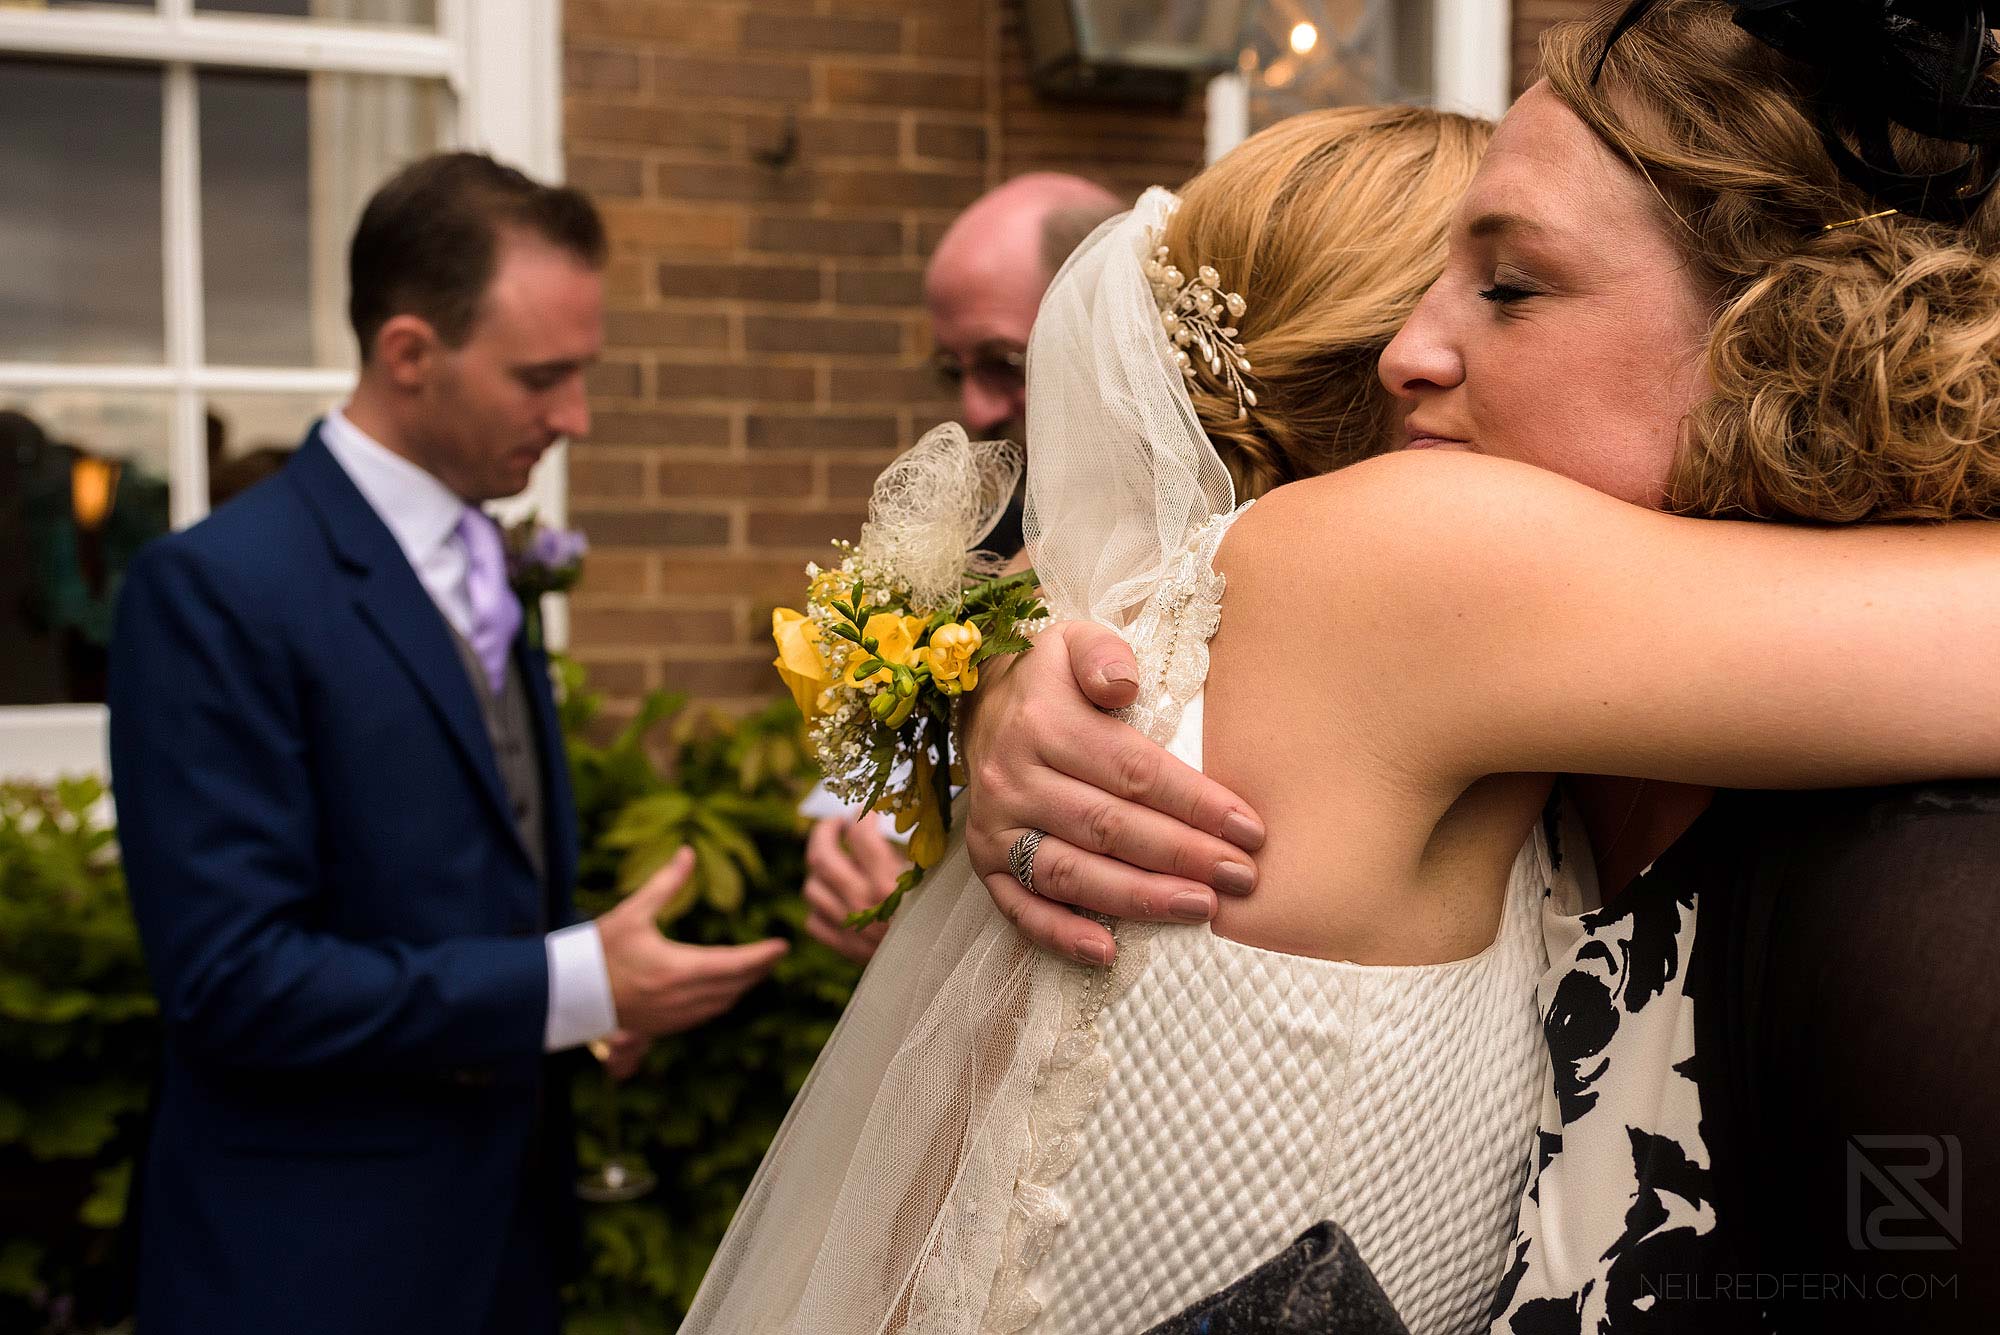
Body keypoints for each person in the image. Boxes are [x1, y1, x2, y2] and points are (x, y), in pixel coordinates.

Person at [683, 92, 2000, 1332]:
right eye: (1479, 286)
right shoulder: (1397, 561)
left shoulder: (1233, 626)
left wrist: (993, 685)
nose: (1439, 339)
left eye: (1511, 288)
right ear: (1374, 364)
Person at [108, 152, 787, 1335]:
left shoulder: (483, 558)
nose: (574, 418)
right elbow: (231, 981)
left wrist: (580, 1003)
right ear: (409, 351)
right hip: (307, 1268)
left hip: (502, 1244)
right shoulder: (213, 589)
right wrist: (565, 984)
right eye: (542, 377)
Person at [801, 171, 1122, 965]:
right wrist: (848, 833)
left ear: (1106, 328)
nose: (974, 411)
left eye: (1004, 362)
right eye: (953, 370)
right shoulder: (988, 520)